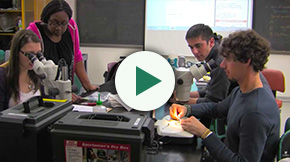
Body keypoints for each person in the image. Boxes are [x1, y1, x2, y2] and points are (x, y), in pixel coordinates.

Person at [170, 30, 280, 162]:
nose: (222, 65)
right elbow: (217, 109)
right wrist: (187, 109)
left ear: (246, 61)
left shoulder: (255, 113)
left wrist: (205, 133)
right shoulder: (242, 90)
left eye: (228, 59)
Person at [27, 0, 98, 102]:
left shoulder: (71, 28)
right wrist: (61, 93)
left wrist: (88, 85)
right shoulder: (34, 32)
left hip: (66, 92)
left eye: (63, 23)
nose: (59, 28)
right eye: (54, 22)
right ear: (46, 19)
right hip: (42, 95)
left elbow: (77, 56)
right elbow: (31, 69)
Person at [172, 24, 230, 105]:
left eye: (198, 46)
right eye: (191, 47)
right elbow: (209, 91)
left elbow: (214, 102)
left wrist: (179, 100)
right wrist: (180, 95)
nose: (195, 51)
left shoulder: (219, 64)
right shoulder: (214, 56)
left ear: (211, 42)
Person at [0, 29, 43, 111]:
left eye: (38, 54)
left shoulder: (38, 74)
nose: (34, 59)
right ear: (16, 52)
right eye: (30, 55)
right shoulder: (2, 78)